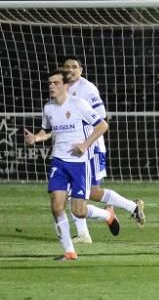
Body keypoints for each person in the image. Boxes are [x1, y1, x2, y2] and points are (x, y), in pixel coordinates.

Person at [23, 69, 121, 261]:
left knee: (79, 210)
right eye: (50, 83)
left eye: (56, 83)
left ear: (66, 86)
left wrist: (85, 145)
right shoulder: (48, 108)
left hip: (79, 164)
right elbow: (47, 131)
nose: (51, 86)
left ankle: (108, 215)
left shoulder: (78, 104)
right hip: (59, 162)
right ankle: (69, 251)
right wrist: (35, 138)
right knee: (56, 206)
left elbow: (102, 125)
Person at [61, 56, 145, 244]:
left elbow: (101, 116)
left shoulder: (87, 89)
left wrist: (83, 138)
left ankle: (120, 212)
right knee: (79, 193)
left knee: (85, 193)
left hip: (91, 147)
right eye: (67, 67)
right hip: (74, 149)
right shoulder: (61, 89)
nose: (71, 70)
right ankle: (127, 209)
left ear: (81, 70)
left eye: (75, 67)